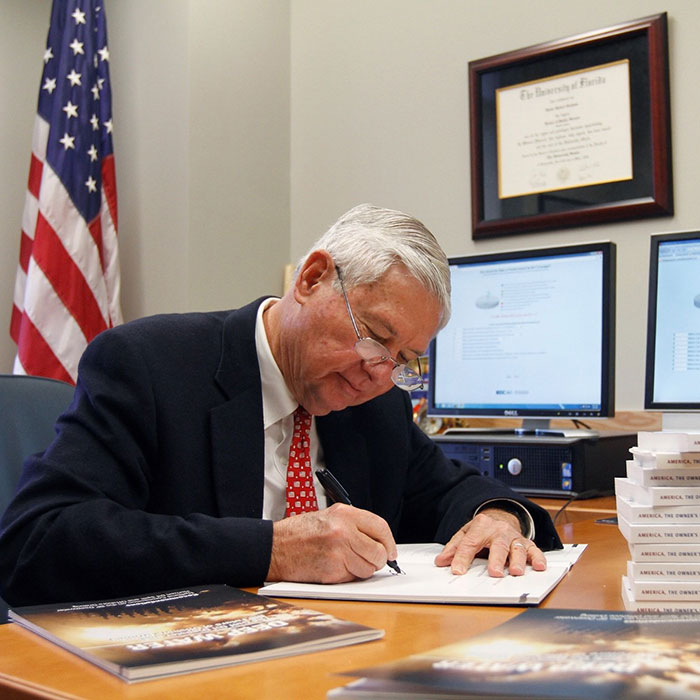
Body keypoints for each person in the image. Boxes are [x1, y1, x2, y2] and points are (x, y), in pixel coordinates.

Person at [0, 204, 561, 606]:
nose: (379, 371)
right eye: (373, 334)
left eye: (404, 358)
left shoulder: (376, 405)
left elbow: (448, 489)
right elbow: (38, 541)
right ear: (314, 278)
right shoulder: (149, 366)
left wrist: (499, 517)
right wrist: (271, 550)